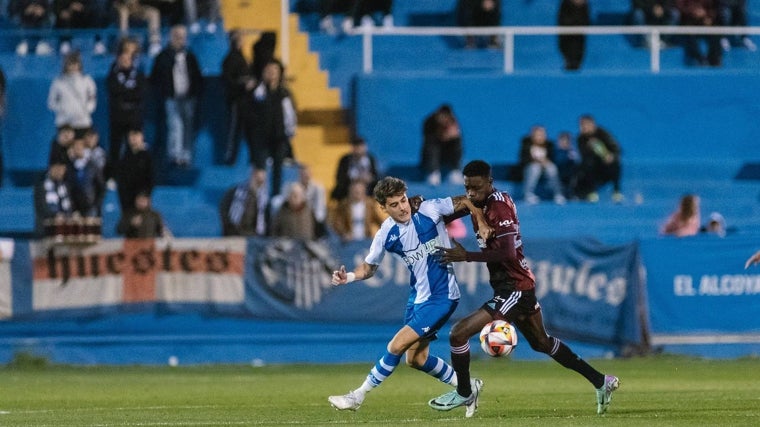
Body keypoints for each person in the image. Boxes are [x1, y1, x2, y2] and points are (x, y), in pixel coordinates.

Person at [428, 160, 619, 417]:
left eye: (476, 187)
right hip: (518, 285)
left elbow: (506, 252)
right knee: (542, 343)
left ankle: (464, 392)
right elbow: (449, 209)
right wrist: (421, 207)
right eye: (467, 187)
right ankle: (600, 381)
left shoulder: (498, 208)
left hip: (514, 288)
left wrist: (467, 257)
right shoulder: (483, 201)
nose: (471, 193)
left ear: (490, 183)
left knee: (458, 334)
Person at [327, 176, 491, 412]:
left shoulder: (429, 209)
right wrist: (349, 277)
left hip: (442, 297)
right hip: (419, 298)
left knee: (396, 345)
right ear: (383, 208)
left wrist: (481, 221)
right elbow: (369, 268)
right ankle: (468, 387)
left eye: (403, 200)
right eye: (394, 204)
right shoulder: (386, 233)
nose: (402, 207)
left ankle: (357, 396)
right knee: (416, 359)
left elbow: (466, 201)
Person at [150, 25, 204, 168]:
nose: (181, 40)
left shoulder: (190, 56)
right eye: (178, 37)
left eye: (183, 37)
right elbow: (156, 77)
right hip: (171, 97)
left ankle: (186, 156)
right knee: (175, 126)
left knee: (187, 126)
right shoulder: (163, 56)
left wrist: (195, 92)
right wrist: (164, 91)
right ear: (171, 37)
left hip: (188, 97)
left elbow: (197, 76)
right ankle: (174, 155)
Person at [250, 58, 297, 196]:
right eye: (268, 71)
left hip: (279, 138)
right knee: (259, 171)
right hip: (261, 139)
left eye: (274, 70)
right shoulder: (258, 93)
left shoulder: (285, 94)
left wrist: (290, 133)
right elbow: (251, 115)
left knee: (278, 171)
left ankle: (275, 198)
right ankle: (256, 201)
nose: (271, 74)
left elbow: (290, 116)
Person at [106, 37, 146, 180]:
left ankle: (134, 176)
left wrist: (125, 94)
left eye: (128, 58)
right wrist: (127, 93)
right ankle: (113, 177)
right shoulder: (113, 73)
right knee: (115, 147)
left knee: (134, 147)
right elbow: (113, 90)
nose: (125, 61)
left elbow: (140, 93)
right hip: (117, 116)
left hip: (133, 116)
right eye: (122, 58)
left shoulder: (138, 73)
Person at [221, 28, 256, 165]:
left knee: (249, 130)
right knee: (234, 130)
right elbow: (228, 80)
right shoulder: (230, 59)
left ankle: (251, 158)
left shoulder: (243, 58)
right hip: (236, 100)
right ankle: (230, 157)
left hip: (246, 101)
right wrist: (243, 85)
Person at [47, 51, 97, 137]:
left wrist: (85, 111)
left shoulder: (87, 81)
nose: (73, 66)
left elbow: (92, 99)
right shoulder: (58, 82)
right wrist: (64, 110)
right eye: (70, 64)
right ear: (66, 65)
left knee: (82, 149)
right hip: (64, 122)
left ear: (79, 65)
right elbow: (51, 102)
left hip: (83, 122)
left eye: (75, 63)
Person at [575, 115, 623, 203]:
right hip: (593, 169)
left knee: (616, 163)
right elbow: (584, 156)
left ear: (592, 124)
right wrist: (590, 148)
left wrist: (611, 156)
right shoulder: (580, 138)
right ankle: (592, 192)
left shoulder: (603, 133)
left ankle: (616, 192)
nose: (583, 127)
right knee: (588, 164)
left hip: (606, 166)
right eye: (581, 125)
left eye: (585, 124)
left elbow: (617, 149)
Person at [518, 125, 566, 205]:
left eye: (542, 134)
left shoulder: (550, 145)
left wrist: (546, 161)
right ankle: (528, 194)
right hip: (530, 169)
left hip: (546, 168)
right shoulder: (526, 144)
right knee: (535, 168)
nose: (540, 137)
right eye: (537, 135)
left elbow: (553, 158)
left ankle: (558, 194)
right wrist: (535, 161)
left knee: (551, 168)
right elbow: (523, 160)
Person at [421, 104, 463, 187]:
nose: (444, 119)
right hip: (431, 154)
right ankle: (432, 173)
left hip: (446, 154)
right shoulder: (429, 122)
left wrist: (451, 135)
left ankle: (454, 171)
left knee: (456, 144)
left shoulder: (453, 122)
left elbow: (456, 137)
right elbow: (428, 143)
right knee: (432, 147)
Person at [219, 168, 270, 236]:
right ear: (252, 176)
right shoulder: (236, 191)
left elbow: (266, 220)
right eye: (257, 179)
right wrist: (228, 226)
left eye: (261, 181)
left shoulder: (264, 198)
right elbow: (224, 208)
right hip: (234, 233)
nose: (259, 183)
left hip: (254, 235)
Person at [115, 128, 154, 213]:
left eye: (136, 135)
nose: (133, 138)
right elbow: (121, 179)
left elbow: (150, 178)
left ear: (142, 136)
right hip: (126, 201)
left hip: (141, 200)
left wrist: (144, 195)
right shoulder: (125, 157)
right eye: (131, 135)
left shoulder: (147, 157)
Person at [33, 161, 77, 237]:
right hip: (45, 231)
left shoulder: (64, 186)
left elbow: (69, 205)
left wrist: (69, 216)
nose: (61, 172)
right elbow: (42, 207)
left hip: (63, 230)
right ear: (52, 168)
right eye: (59, 169)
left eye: (63, 170)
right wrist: (55, 216)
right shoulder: (41, 186)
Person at [331, 136, 380, 201]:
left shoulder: (371, 159)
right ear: (352, 148)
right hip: (348, 188)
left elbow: (376, 176)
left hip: (368, 188)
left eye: (360, 147)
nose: (358, 150)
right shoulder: (345, 160)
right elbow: (339, 177)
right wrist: (354, 179)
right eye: (356, 147)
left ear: (365, 147)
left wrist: (370, 179)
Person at [675, 0, 722, 66]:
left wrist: (708, 16)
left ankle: (714, 60)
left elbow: (715, 7)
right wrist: (694, 11)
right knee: (689, 35)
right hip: (688, 21)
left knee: (715, 33)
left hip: (705, 21)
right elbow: (680, 7)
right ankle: (699, 59)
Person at [67, 137, 105, 217]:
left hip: (90, 206)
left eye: (80, 147)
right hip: (74, 207)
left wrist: (96, 204)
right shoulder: (69, 167)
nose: (78, 150)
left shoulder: (93, 166)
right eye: (75, 148)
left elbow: (101, 187)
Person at [558, 0, 590, 71]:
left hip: (578, 40)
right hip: (567, 39)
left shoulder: (585, 7)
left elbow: (586, 22)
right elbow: (564, 22)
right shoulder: (565, 7)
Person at [298, 164, 328, 237]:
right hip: (298, 216)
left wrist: (312, 220)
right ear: (300, 175)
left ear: (311, 174)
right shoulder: (295, 187)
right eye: (304, 174)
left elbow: (320, 209)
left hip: (314, 218)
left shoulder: (318, 188)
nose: (306, 176)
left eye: (308, 174)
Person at [554, 131, 580, 199]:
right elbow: (558, 161)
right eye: (562, 141)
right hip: (558, 174)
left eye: (566, 141)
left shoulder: (572, 152)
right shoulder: (555, 152)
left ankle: (573, 193)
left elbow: (577, 162)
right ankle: (559, 194)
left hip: (570, 175)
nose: (564, 143)